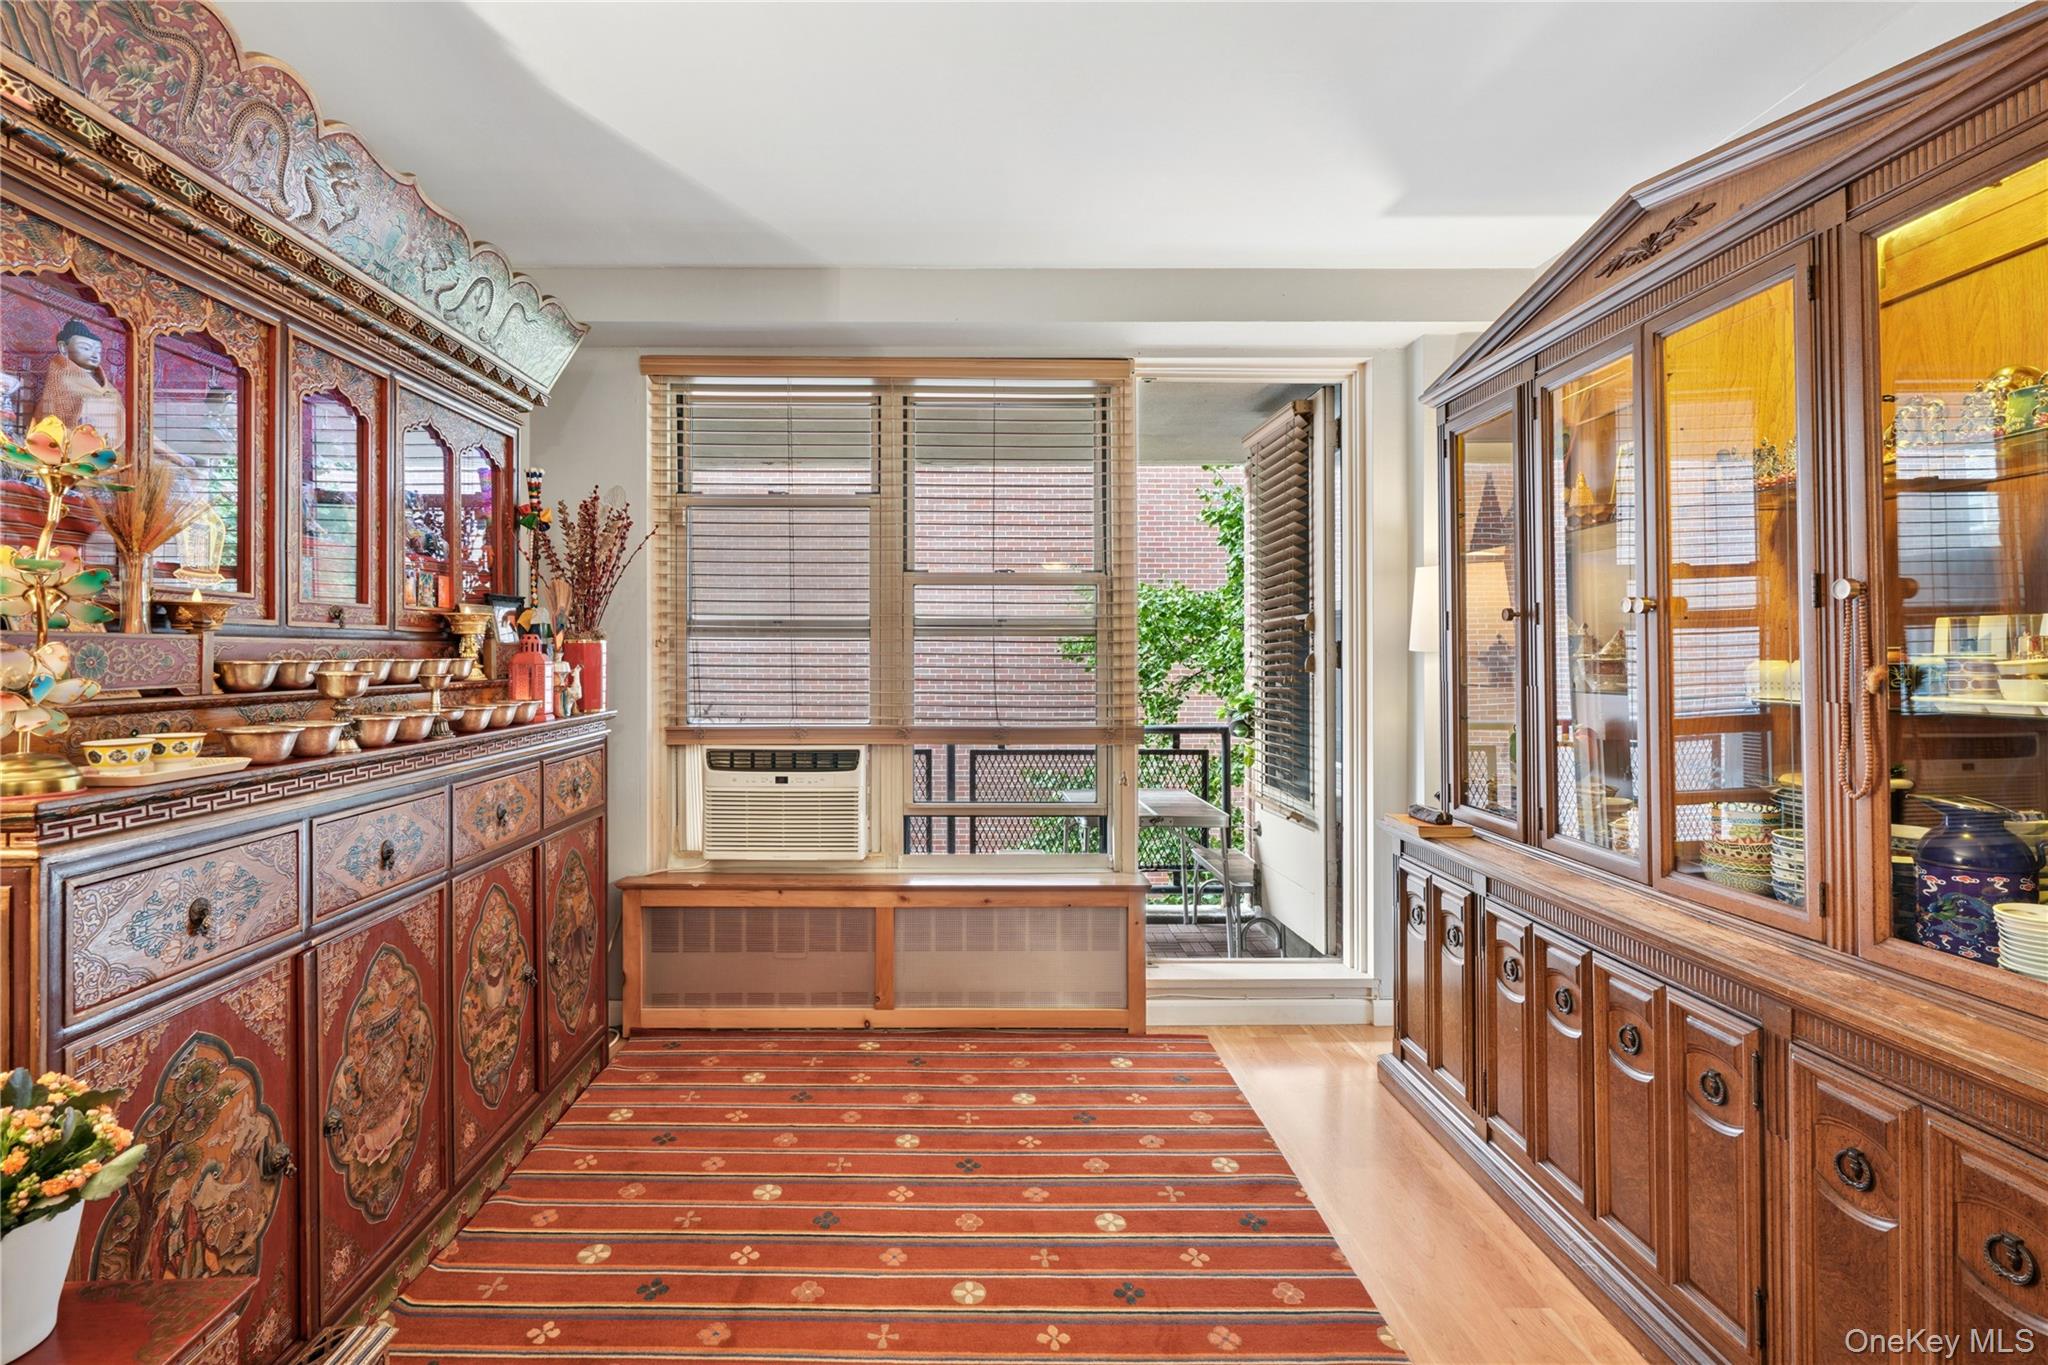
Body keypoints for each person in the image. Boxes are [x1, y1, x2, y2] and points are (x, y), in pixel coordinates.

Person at [37, 318, 127, 446]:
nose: (95, 355)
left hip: (108, 445)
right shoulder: (60, 379)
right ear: (63, 348)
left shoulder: (105, 384)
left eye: (98, 351)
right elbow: (57, 418)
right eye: (86, 348)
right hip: (73, 447)